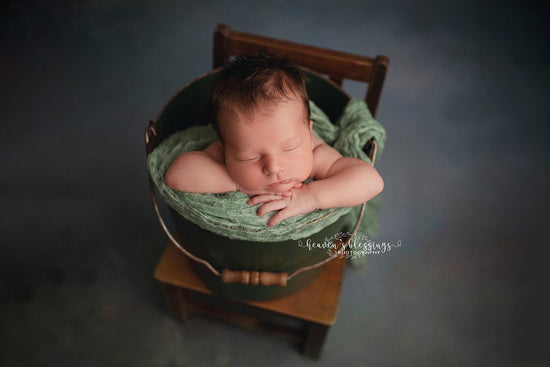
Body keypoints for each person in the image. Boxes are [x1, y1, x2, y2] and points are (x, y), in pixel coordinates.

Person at [165, 54, 384, 227]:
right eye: (250, 156)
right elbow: (177, 175)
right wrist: (236, 182)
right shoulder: (225, 151)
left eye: (290, 148)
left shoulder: (315, 154)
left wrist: (311, 197)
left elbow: (370, 180)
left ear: (309, 132)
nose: (273, 167)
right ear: (224, 147)